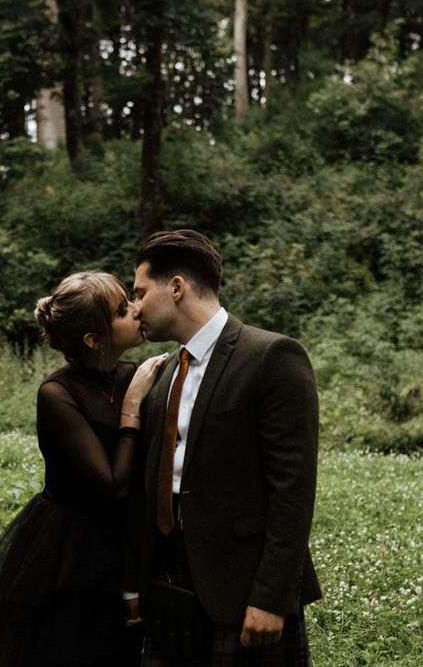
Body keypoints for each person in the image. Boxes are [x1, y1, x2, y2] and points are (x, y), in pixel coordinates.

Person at [0, 271, 166, 667]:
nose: (137, 310)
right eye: (123, 310)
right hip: (73, 544)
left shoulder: (138, 373)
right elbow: (112, 484)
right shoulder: (58, 393)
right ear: (93, 339)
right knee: (71, 645)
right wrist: (132, 407)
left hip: (128, 535)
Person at [132, 230, 321, 666]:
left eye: (140, 292)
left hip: (243, 590)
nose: (135, 306)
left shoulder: (271, 356)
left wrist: (272, 598)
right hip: (169, 586)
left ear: (176, 287)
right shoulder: (163, 373)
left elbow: (293, 490)